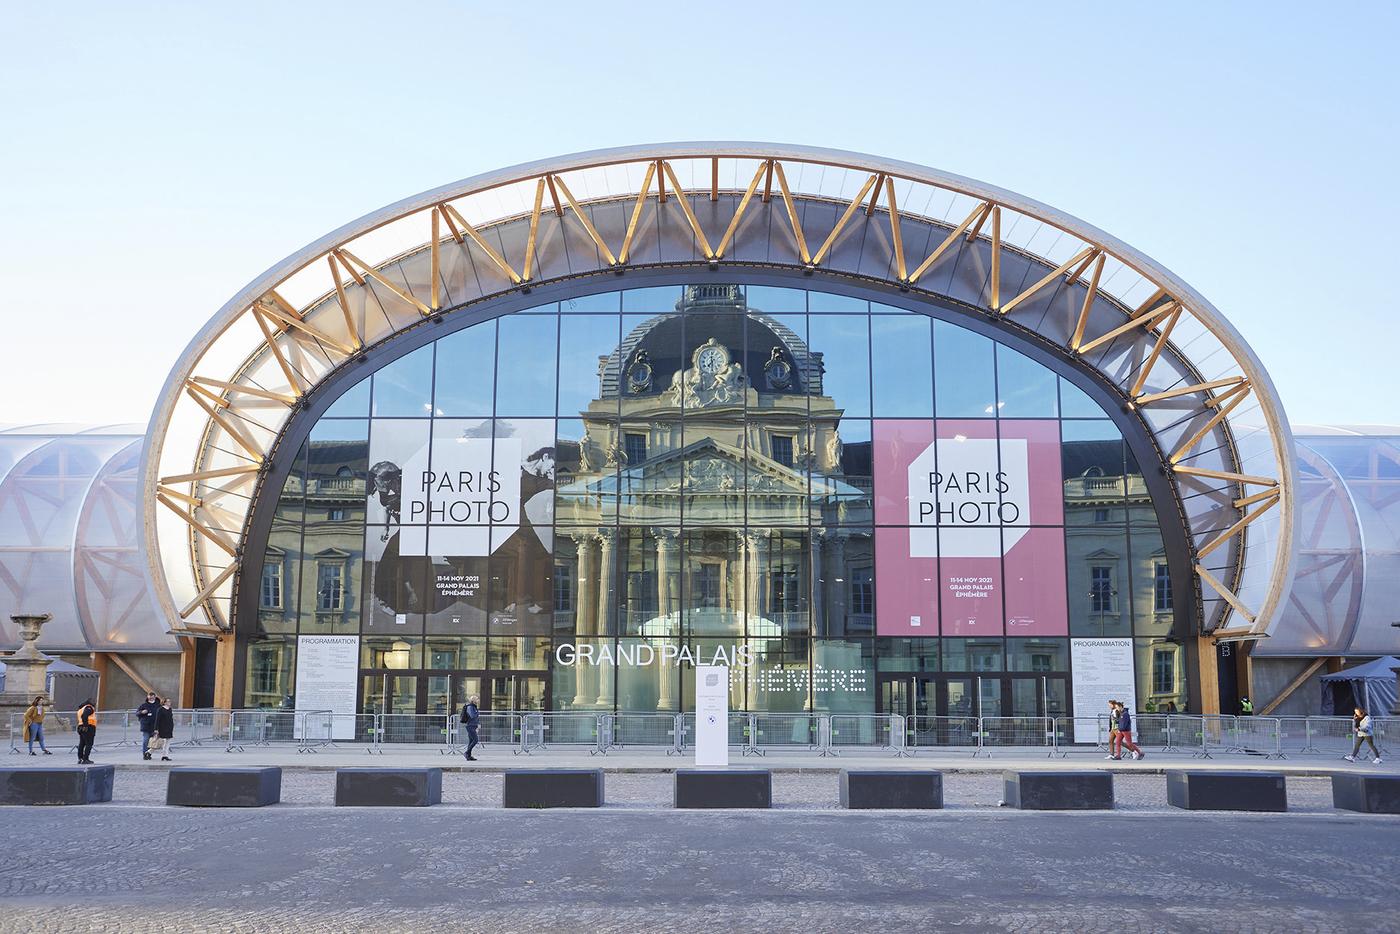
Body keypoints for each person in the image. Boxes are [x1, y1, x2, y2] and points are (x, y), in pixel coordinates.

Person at [150, 697, 175, 761]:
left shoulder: (170, 709)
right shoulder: (160, 709)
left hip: (169, 727)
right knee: (158, 741)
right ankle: (149, 752)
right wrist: (156, 729)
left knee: (167, 742)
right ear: (164, 702)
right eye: (168, 701)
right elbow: (157, 720)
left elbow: (170, 718)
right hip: (162, 727)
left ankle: (165, 755)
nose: (169, 703)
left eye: (170, 701)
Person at [136, 691, 160, 760]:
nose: (151, 698)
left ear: (155, 697)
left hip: (155, 726)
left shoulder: (158, 705)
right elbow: (137, 713)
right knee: (145, 740)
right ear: (148, 697)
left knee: (153, 741)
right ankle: (145, 754)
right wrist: (141, 712)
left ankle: (149, 753)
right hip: (146, 726)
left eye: (152, 696)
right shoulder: (144, 705)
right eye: (150, 696)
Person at [75, 699, 98, 764]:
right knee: (89, 744)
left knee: (82, 743)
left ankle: (80, 758)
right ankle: (85, 759)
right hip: (88, 727)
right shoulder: (89, 707)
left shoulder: (81, 709)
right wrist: (86, 726)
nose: (95, 703)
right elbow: (84, 716)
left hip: (80, 726)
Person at [460, 694, 481, 761]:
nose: (478, 700)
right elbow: (472, 715)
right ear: (473, 700)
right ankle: (466, 753)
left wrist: (478, 725)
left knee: (471, 741)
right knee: (475, 740)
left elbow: (476, 718)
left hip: (473, 726)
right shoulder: (470, 707)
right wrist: (477, 713)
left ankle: (468, 756)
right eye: (477, 699)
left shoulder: (474, 707)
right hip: (470, 726)